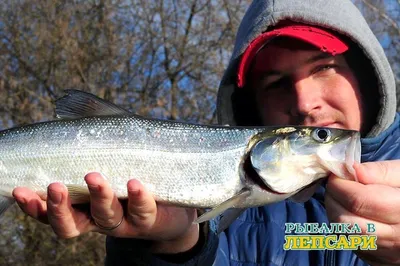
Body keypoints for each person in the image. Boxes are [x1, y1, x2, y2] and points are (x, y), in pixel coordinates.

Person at [12, 0, 400, 265]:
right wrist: (169, 246)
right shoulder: (218, 223)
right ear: (250, 104)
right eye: (277, 83)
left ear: (368, 75)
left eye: (323, 67)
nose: (304, 103)